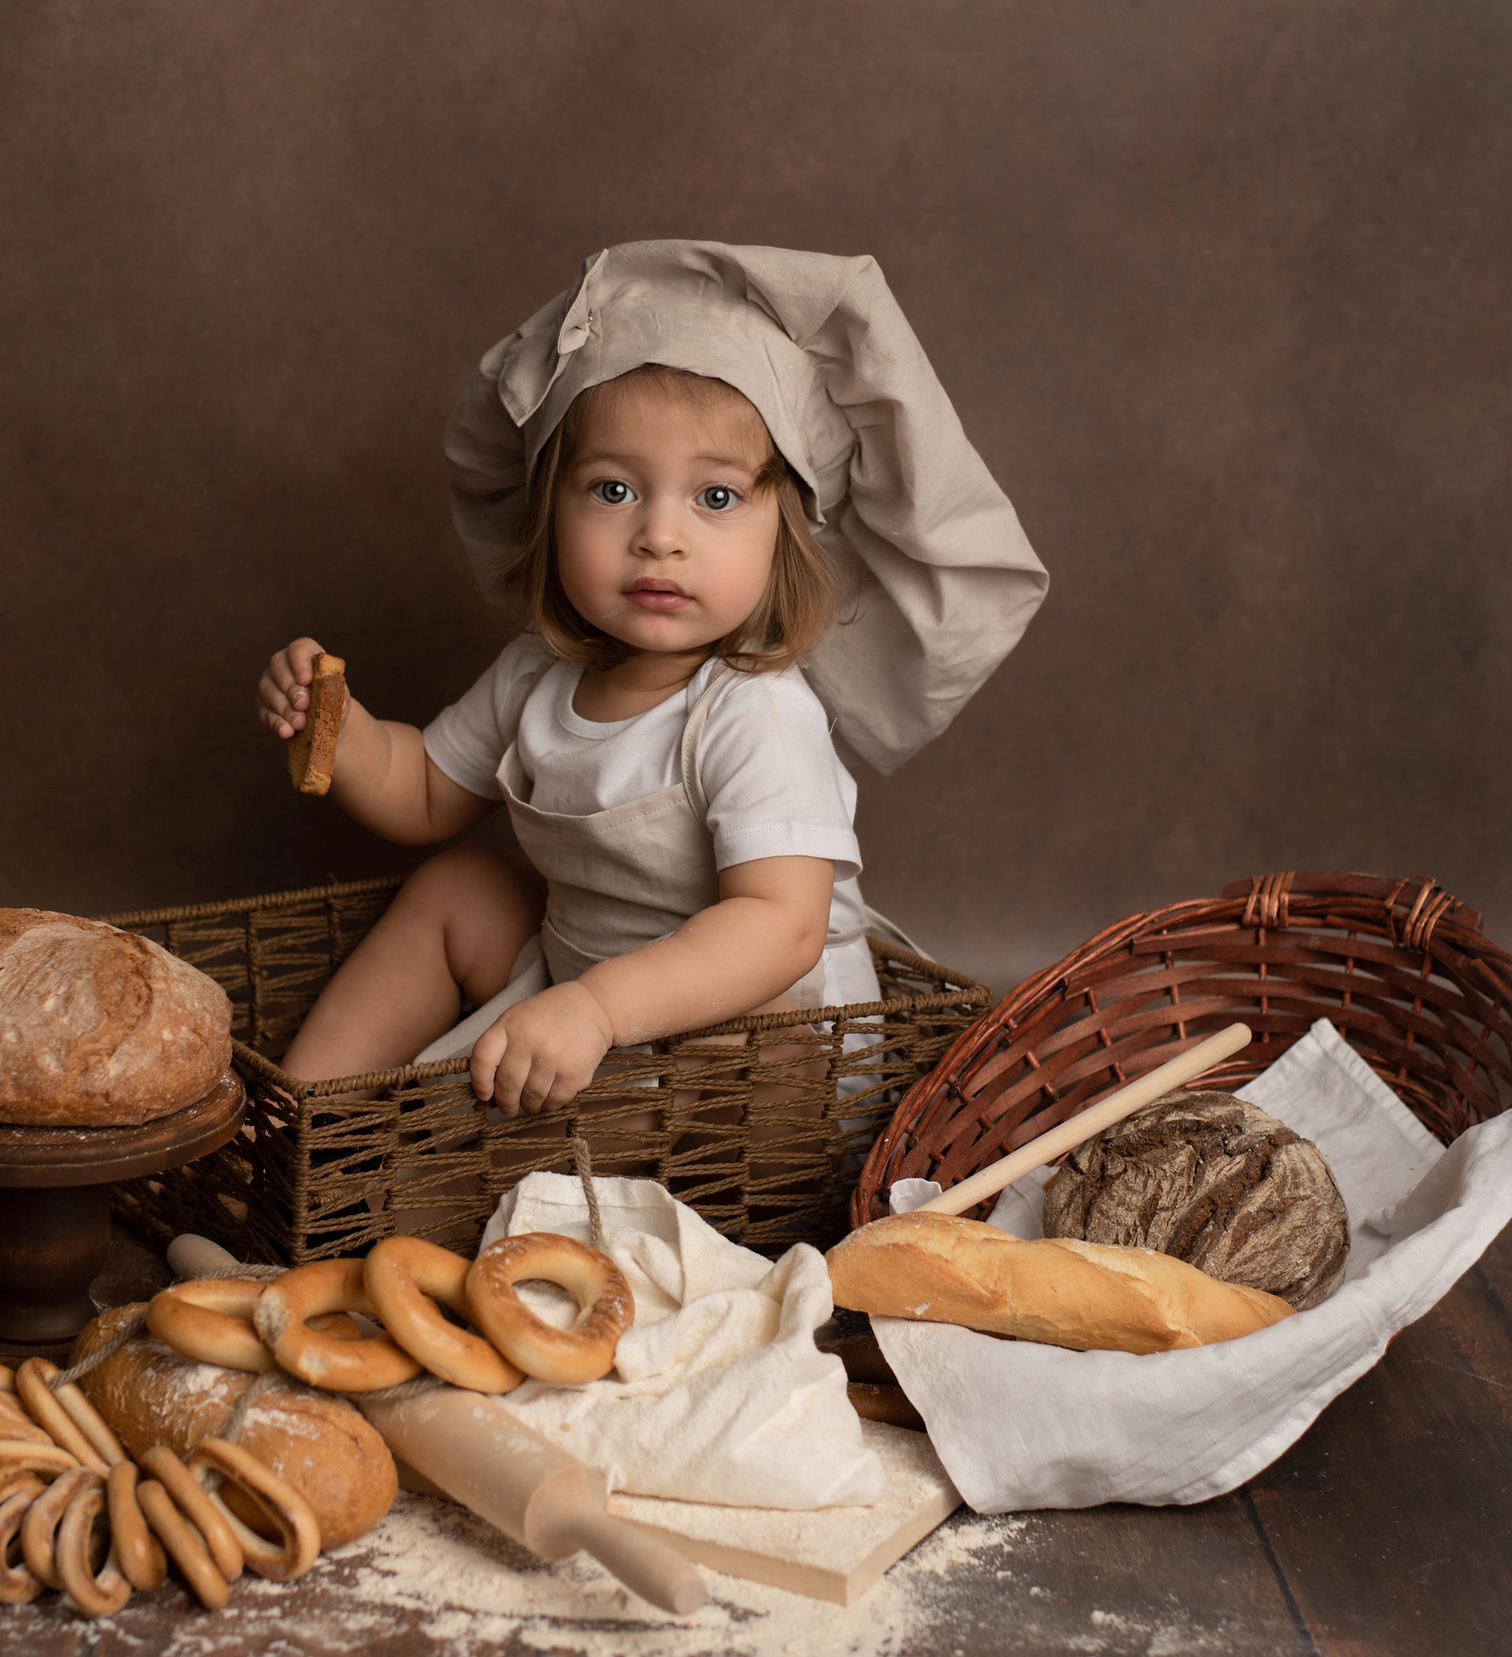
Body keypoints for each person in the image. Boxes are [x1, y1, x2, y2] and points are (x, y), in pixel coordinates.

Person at [256, 242, 1048, 1120]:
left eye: (714, 498)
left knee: (755, 1034)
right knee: (459, 887)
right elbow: (424, 794)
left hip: (759, 1047)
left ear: (783, 535)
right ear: (548, 508)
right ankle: (297, 1126)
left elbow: (778, 929)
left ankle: (490, 1171)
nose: (659, 535)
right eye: (613, 490)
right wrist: (341, 729)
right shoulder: (536, 671)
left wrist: (599, 1009)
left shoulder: (757, 711)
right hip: (581, 1003)